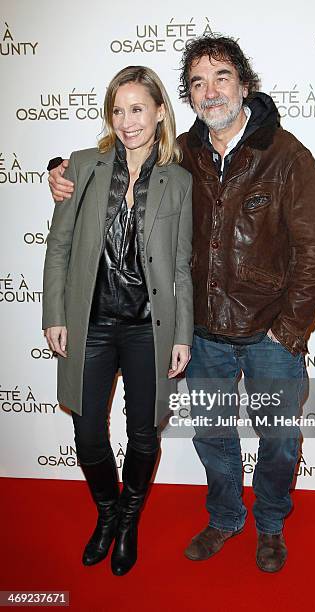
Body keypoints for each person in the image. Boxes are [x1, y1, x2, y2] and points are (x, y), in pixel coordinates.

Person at [48, 35, 315, 573]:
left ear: (243, 84)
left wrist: (289, 330)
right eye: (198, 83)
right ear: (186, 97)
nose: (210, 92)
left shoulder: (287, 155)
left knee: (277, 440)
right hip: (203, 334)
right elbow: (115, 160)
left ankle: (271, 524)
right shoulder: (182, 154)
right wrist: (58, 171)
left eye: (221, 77)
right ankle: (226, 516)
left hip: (268, 333)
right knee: (212, 434)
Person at [43, 65, 193, 577]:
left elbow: (180, 266)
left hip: (149, 326)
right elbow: (59, 244)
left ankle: (128, 520)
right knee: (88, 436)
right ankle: (107, 512)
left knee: (144, 432)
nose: (127, 121)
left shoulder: (179, 180)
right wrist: (55, 313)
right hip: (92, 323)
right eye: (118, 109)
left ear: (158, 113)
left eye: (137, 109)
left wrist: (183, 333)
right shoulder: (82, 166)